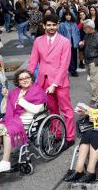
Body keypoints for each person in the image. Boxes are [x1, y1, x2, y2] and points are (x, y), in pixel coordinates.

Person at [27, 14, 76, 150]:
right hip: (44, 81)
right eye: (48, 25)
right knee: (52, 110)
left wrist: (55, 84)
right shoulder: (38, 41)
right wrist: (26, 80)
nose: (51, 27)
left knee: (66, 110)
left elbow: (64, 65)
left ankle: (70, 137)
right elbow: (33, 62)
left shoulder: (65, 41)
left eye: (54, 25)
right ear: (44, 26)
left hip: (59, 82)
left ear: (57, 26)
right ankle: (57, 134)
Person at [0, 69, 47, 172]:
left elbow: (37, 109)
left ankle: (5, 162)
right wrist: (6, 97)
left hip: (28, 122)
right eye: (21, 79)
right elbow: (4, 110)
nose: (24, 80)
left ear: (31, 79)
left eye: (27, 78)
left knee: (8, 129)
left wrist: (21, 101)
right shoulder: (15, 92)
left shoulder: (37, 90)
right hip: (14, 119)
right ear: (18, 82)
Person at [81, 19, 98, 104]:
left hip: (93, 61)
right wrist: (81, 45)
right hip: (87, 61)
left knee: (93, 80)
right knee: (95, 79)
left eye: (85, 27)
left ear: (90, 27)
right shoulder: (86, 36)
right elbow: (84, 47)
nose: (84, 28)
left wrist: (96, 62)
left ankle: (95, 97)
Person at [58, 10, 81, 77]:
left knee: (74, 56)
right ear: (64, 16)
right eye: (67, 15)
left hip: (74, 42)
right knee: (69, 57)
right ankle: (73, 70)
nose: (68, 16)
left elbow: (77, 33)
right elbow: (60, 34)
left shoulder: (74, 24)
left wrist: (78, 40)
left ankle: (74, 69)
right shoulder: (62, 24)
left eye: (69, 15)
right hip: (66, 43)